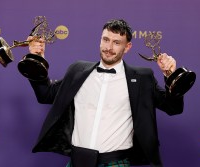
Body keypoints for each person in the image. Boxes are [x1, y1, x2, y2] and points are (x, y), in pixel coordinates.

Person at [27, 19, 184, 167]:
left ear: (127, 47)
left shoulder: (142, 78)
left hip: (115, 162)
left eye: (116, 43)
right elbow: (45, 95)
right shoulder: (77, 70)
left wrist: (171, 77)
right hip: (77, 160)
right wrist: (37, 61)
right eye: (106, 40)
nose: (109, 47)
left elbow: (173, 108)